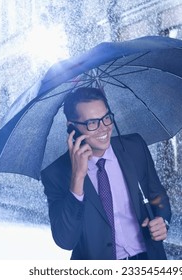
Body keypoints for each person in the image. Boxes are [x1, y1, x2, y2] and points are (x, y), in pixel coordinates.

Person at [41, 87, 171, 260]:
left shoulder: (134, 147)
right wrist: (77, 178)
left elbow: (158, 197)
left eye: (106, 118)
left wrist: (163, 220)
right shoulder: (56, 173)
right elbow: (66, 240)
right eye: (92, 123)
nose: (103, 129)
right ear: (71, 127)